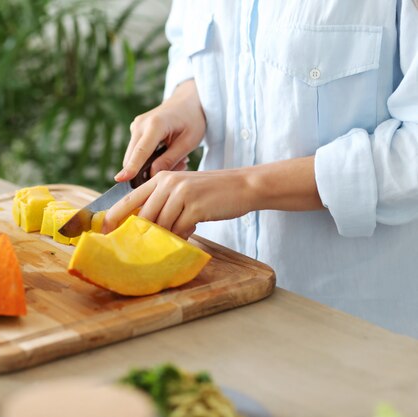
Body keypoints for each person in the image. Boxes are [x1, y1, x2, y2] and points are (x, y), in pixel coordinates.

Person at [102, 0, 418, 338]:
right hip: (211, 297)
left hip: (355, 326)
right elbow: (195, 48)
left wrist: (247, 186)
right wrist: (187, 102)